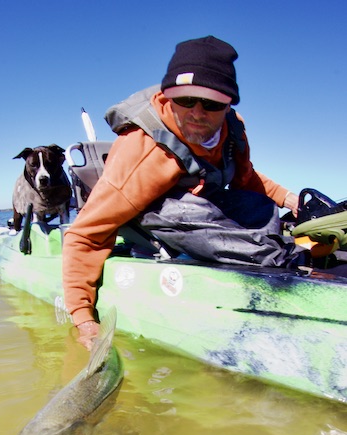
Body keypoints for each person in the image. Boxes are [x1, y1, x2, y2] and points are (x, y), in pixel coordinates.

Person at [62, 35, 302, 349]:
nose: (198, 113)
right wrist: (83, 318)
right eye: (185, 100)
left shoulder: (233, 128)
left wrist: (290, 200)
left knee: (261, 206)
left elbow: (247, 179)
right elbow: (87, 233)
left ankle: (287, 248)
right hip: (155, 215)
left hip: (204, 203)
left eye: (212, 103)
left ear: (228, 103)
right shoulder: (142, 152)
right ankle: (285, 260)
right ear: (168, 96)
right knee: (195, 213)